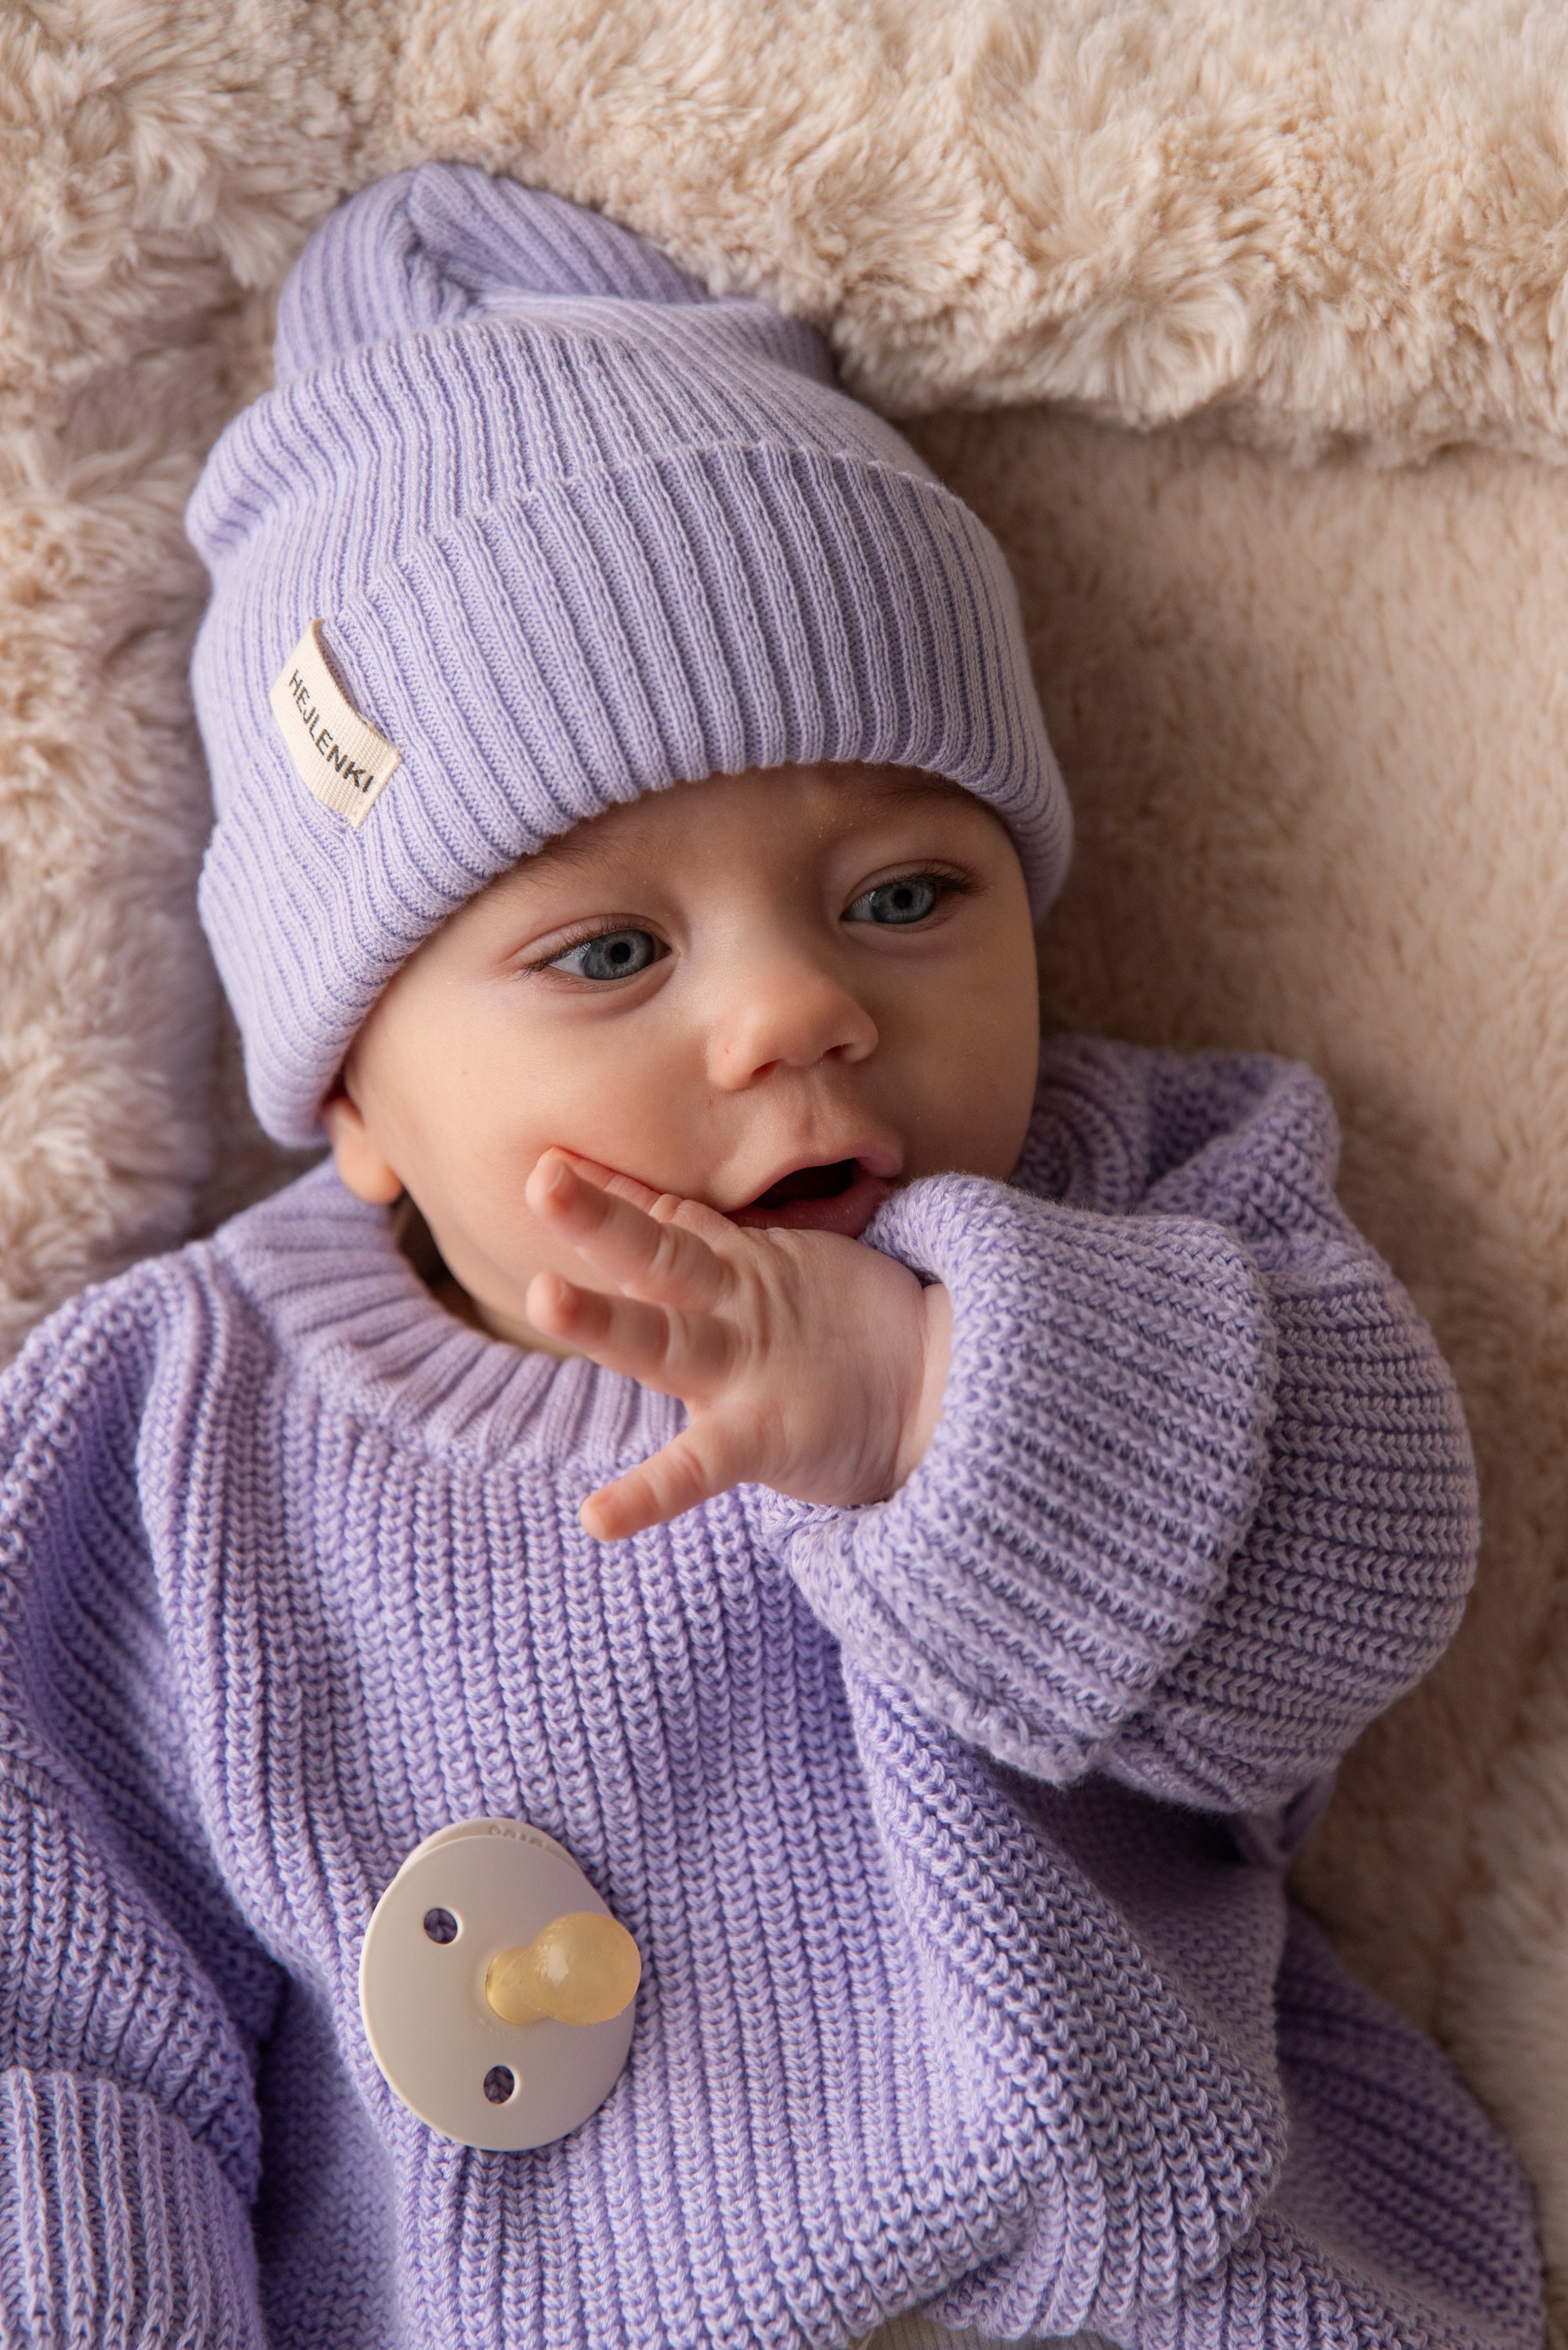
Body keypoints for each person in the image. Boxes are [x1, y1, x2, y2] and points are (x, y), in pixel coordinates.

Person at [0, 162, 1542, 2350]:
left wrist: (944, 1397)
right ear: (353, 1095)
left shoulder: (1136, 1206)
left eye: (905, 897)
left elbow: (1360, 1591)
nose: (797, 1012)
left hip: (1136, 2272)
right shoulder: (165, 1439)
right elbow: (54, 2030)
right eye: (609, 952)